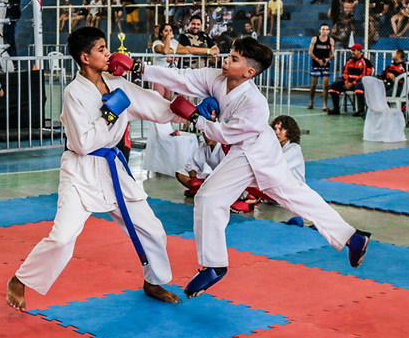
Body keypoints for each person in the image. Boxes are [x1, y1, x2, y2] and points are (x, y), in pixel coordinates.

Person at [133, 36, 371, 297]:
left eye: (234, 59)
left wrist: (195, 117)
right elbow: (184, 78)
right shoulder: (217, 78)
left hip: (252, 151)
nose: (226, 61)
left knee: (209, 198)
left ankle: (214, 265)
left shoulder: (255, 104)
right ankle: (352, 236)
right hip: (248, 150)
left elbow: (225, 134)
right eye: (229, 55)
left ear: (249, 72)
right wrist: (141, 69)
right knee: (295, 195)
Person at [6, 26, 183, 312]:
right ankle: (20, 279)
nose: (108, 53)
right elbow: (83, 142)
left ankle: (153, 281)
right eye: (101, 49)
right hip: (81, 171)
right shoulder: (73, 93)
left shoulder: (118, 83)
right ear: (85, 57)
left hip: (114, 169)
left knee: (152, 230)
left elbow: (155, 107)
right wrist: (109, 114)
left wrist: (188, 112)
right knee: (63, 237)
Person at [230, 115, 306, 214]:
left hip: (293, 194)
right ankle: (249, 197)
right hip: (277, 194)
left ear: (290, 131)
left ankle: (252, 199)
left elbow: (273, 166)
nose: (277, 132)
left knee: (256, 174)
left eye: (281, 129)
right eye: (275, 129)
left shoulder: (294, 148)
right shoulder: (275, 147)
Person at [328, 43, 373, 117]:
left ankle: (360, 111)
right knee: (334, 86)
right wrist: (346, 82)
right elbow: (345, 73)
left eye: (354, 50)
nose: (352, 52)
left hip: (358, 84)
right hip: (348, 83)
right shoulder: (349, 61)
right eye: (352, 50)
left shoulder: (366, 62)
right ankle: (336, 109)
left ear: (359, 51)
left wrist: (353, 83)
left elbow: (365, 76)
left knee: (359, 87)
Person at [176, 132, 225, 197]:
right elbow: (193, 164)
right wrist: (194, 180)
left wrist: (212, 177)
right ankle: (197, 191)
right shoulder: (204, 146)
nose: (206, 137)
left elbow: (226, 169)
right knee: (180, 174)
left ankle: (199, 192)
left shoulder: (223, 147)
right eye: (204, 134)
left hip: (222, 178)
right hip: (210, 178)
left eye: (210, 134)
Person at [308, 24, 335, 111]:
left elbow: (332, 53)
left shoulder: (331, 41)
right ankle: (311, 102)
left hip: (325, 65)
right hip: (316, 64)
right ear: (320, 30)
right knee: (313, 85)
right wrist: (317, 59)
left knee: (325, 86)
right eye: (323, 29)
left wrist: (328, 59)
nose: (324, 31)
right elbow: (310, 52)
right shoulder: (315, 39)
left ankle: (325, 105)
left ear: (328, 31)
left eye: (326, 29)